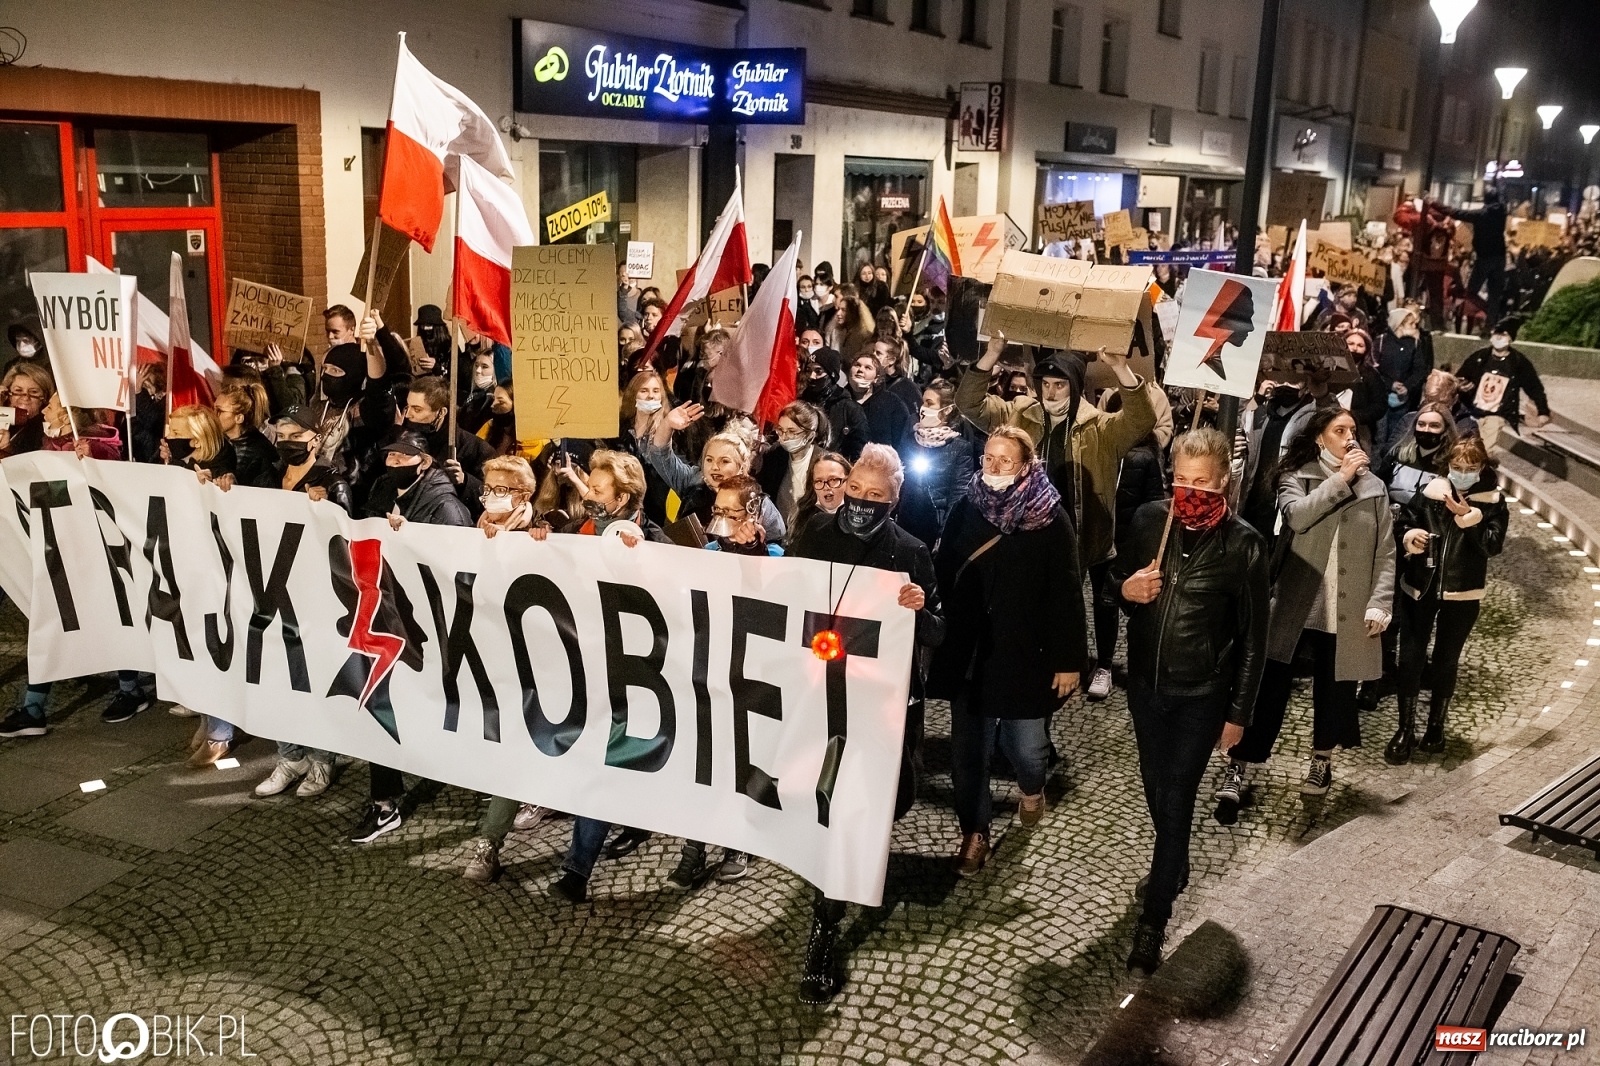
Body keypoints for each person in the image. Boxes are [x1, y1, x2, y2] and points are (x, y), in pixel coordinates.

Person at [788, 444, 944, 1003]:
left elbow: (936, 635)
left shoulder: (911, 551)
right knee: (835, 808)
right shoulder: (815, 536)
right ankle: (825, 927)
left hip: (878, 707)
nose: (860, 502)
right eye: (855, 491)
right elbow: (780, 600)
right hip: (820, 698)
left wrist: (920, 607)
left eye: (875, 496)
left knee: (886, 803)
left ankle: (837, 895)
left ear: (894, 500)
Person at [1113, 429, 1269, 975]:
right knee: (1157, 790)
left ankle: (1153, 920)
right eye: (1181, 479)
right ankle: (1172, 862)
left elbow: (1254, 638)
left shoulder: (1244, 544)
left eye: (1201, 482)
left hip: (1202, 696)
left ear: (1224, 480)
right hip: (1146, 689)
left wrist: (1238, 714)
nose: (1189, 491)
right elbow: (1119, 585)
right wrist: (1126, 592)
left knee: (1176, 798)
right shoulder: (1149, 522)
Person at [930, 426, 1086, 876]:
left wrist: (1068, 660)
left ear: (1027, 466)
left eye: (1006, 460)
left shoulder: (1050, 518)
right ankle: (974, 833)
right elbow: (943, 571)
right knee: (968, 752)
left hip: (1025, 654)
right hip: (972, 654)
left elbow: (1066, 592)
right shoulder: (967, 505)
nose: (994, 467)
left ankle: (1032, 788)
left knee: (1028, 748)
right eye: (989, 458)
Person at [1222, 408, 1395, 798]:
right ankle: (1241, 764)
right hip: (1294, 602)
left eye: (1353, 429)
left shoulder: (1375, 488)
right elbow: (1298, 518)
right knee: (1269, 687)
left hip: (1346, 606)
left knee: (1335, 690)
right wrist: (1341, 478)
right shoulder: (1295, 476)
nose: (1350, 436)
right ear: (1320, 438)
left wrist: (1380, 600)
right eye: (1339, 430)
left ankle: (1321, 761)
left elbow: (1386, 551)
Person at [347, 431, 472, 844]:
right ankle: (385, 802)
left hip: (428, 630)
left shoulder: (445, 505)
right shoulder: (386, 488)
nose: (394, 464)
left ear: (424, 461)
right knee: (381, 702)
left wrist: (410, 537)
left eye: (404, 458)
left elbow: (456, 570)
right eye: (391, 456)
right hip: (395, 621)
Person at [1388, 436, 1507, 763]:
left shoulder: (1492, 501)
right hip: (1420, 586)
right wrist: (1410, 537)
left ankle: (1436, 726)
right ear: (1447, 466)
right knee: (1410, 658)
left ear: (1481, 468)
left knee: (1445, 660)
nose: (1463, 473)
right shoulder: (1431, 493)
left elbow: (1492, 547)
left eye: (1470, 468)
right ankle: (1405, 728)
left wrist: (1469, 516)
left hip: (1463, 590)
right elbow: (1402, 524)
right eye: (1457, 467)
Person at [253, 407, 350, 798]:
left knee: (307, 676)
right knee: (275, 675)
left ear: (315, 437)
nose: (287, 441)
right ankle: (289, 755)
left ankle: (321, 759)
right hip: (268, 585)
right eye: (282, 433)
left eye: (296, 434)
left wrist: (326, 506)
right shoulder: (268, 472)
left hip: (311, 593)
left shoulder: (331, 480)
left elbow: (345, 532)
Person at [641, 406, 786, 542]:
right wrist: (667, 425)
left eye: (724, 461)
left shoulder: (757, 503)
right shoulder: (692, 481)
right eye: (709, 460)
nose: (715, 467)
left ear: (742, 467)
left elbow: (777, 543)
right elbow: (660, 455)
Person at [896, 381, 975, 549]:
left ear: (947, 410)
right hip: (905, 521)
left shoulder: (960, 447)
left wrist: (944, 533)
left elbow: (958, 496)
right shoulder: (911, 439)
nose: (922, 408)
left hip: (933, 526)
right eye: (923, 402)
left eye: (929, 403)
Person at [1456, 319, 1550, 451]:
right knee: (1464, 450)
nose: (1499, 337)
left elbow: (1534, 387)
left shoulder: (1518, 362)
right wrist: (1461, 386)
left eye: (1504, 334)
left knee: (1483, 451)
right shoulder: (1480, 357)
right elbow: (1460, 377)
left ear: (1511, 338)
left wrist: (1543, 410)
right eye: (1496, 333)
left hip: (1496, 414)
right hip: (1473, 411)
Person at [955, 332, 1045, 446]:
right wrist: (992, 354)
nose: (1051, 389)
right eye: (1046, 383)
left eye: (1059, 384)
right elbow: (968, 403)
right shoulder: (1021, 413)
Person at [1373, 307, 1433, 456]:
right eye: (1411, 323)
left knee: (1396, 437)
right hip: (1380, 397)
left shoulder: (1414, 344)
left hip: (1401, 401)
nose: (1415, 327)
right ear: (1399, 324)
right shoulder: (1381, 341)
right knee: (1378, 437)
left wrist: (1407, 386)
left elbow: (1419, 369)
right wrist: (1390, 384)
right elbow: (1374, 369)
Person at [757, 401, 825, 531]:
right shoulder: (774, 455)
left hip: (809, 531)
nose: (784, 437)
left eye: (792, 432)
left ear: (810, 435)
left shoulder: (823, 461)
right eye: (781, 431)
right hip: (779, 530)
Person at [1446, 188, 1508, 327]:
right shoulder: (1502, 213)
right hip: (1500, 257)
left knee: (1471, 292)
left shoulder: (1482, 214)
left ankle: (1486, 309)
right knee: (1494, 294)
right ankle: (1491, 322)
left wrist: (1436, 205)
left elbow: (1458, 213)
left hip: (1485, 257)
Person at [800, 348, 868, 460]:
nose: (812, 376)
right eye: (808, 370)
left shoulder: (849, 409)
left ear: (831, 375)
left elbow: (860, 450)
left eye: (818, 371)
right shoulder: (801, 403)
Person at [215, 381, 278, 488]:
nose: (213, 415)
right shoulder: (219, 441)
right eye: (214, 408)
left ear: (239, 418)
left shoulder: (258, 452)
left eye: (219, 410)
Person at [851, 354, 913, 448]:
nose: (860, 370)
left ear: (876, 378)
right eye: (857, 365)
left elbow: (902, 439)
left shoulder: (892, 403)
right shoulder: (839, 399)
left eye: (868, 367)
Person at [0, 362, 54, 457]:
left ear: (44, 398)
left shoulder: (48, 431)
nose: (25, 398)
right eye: (18, 391)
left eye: (33, 392)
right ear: (8, 394)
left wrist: (7, 449)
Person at [790, 451, 852, 534]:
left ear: (849, 481)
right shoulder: (804, 518)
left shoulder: (860, 517)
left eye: (833, 480)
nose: (826, 487)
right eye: (819, 481)